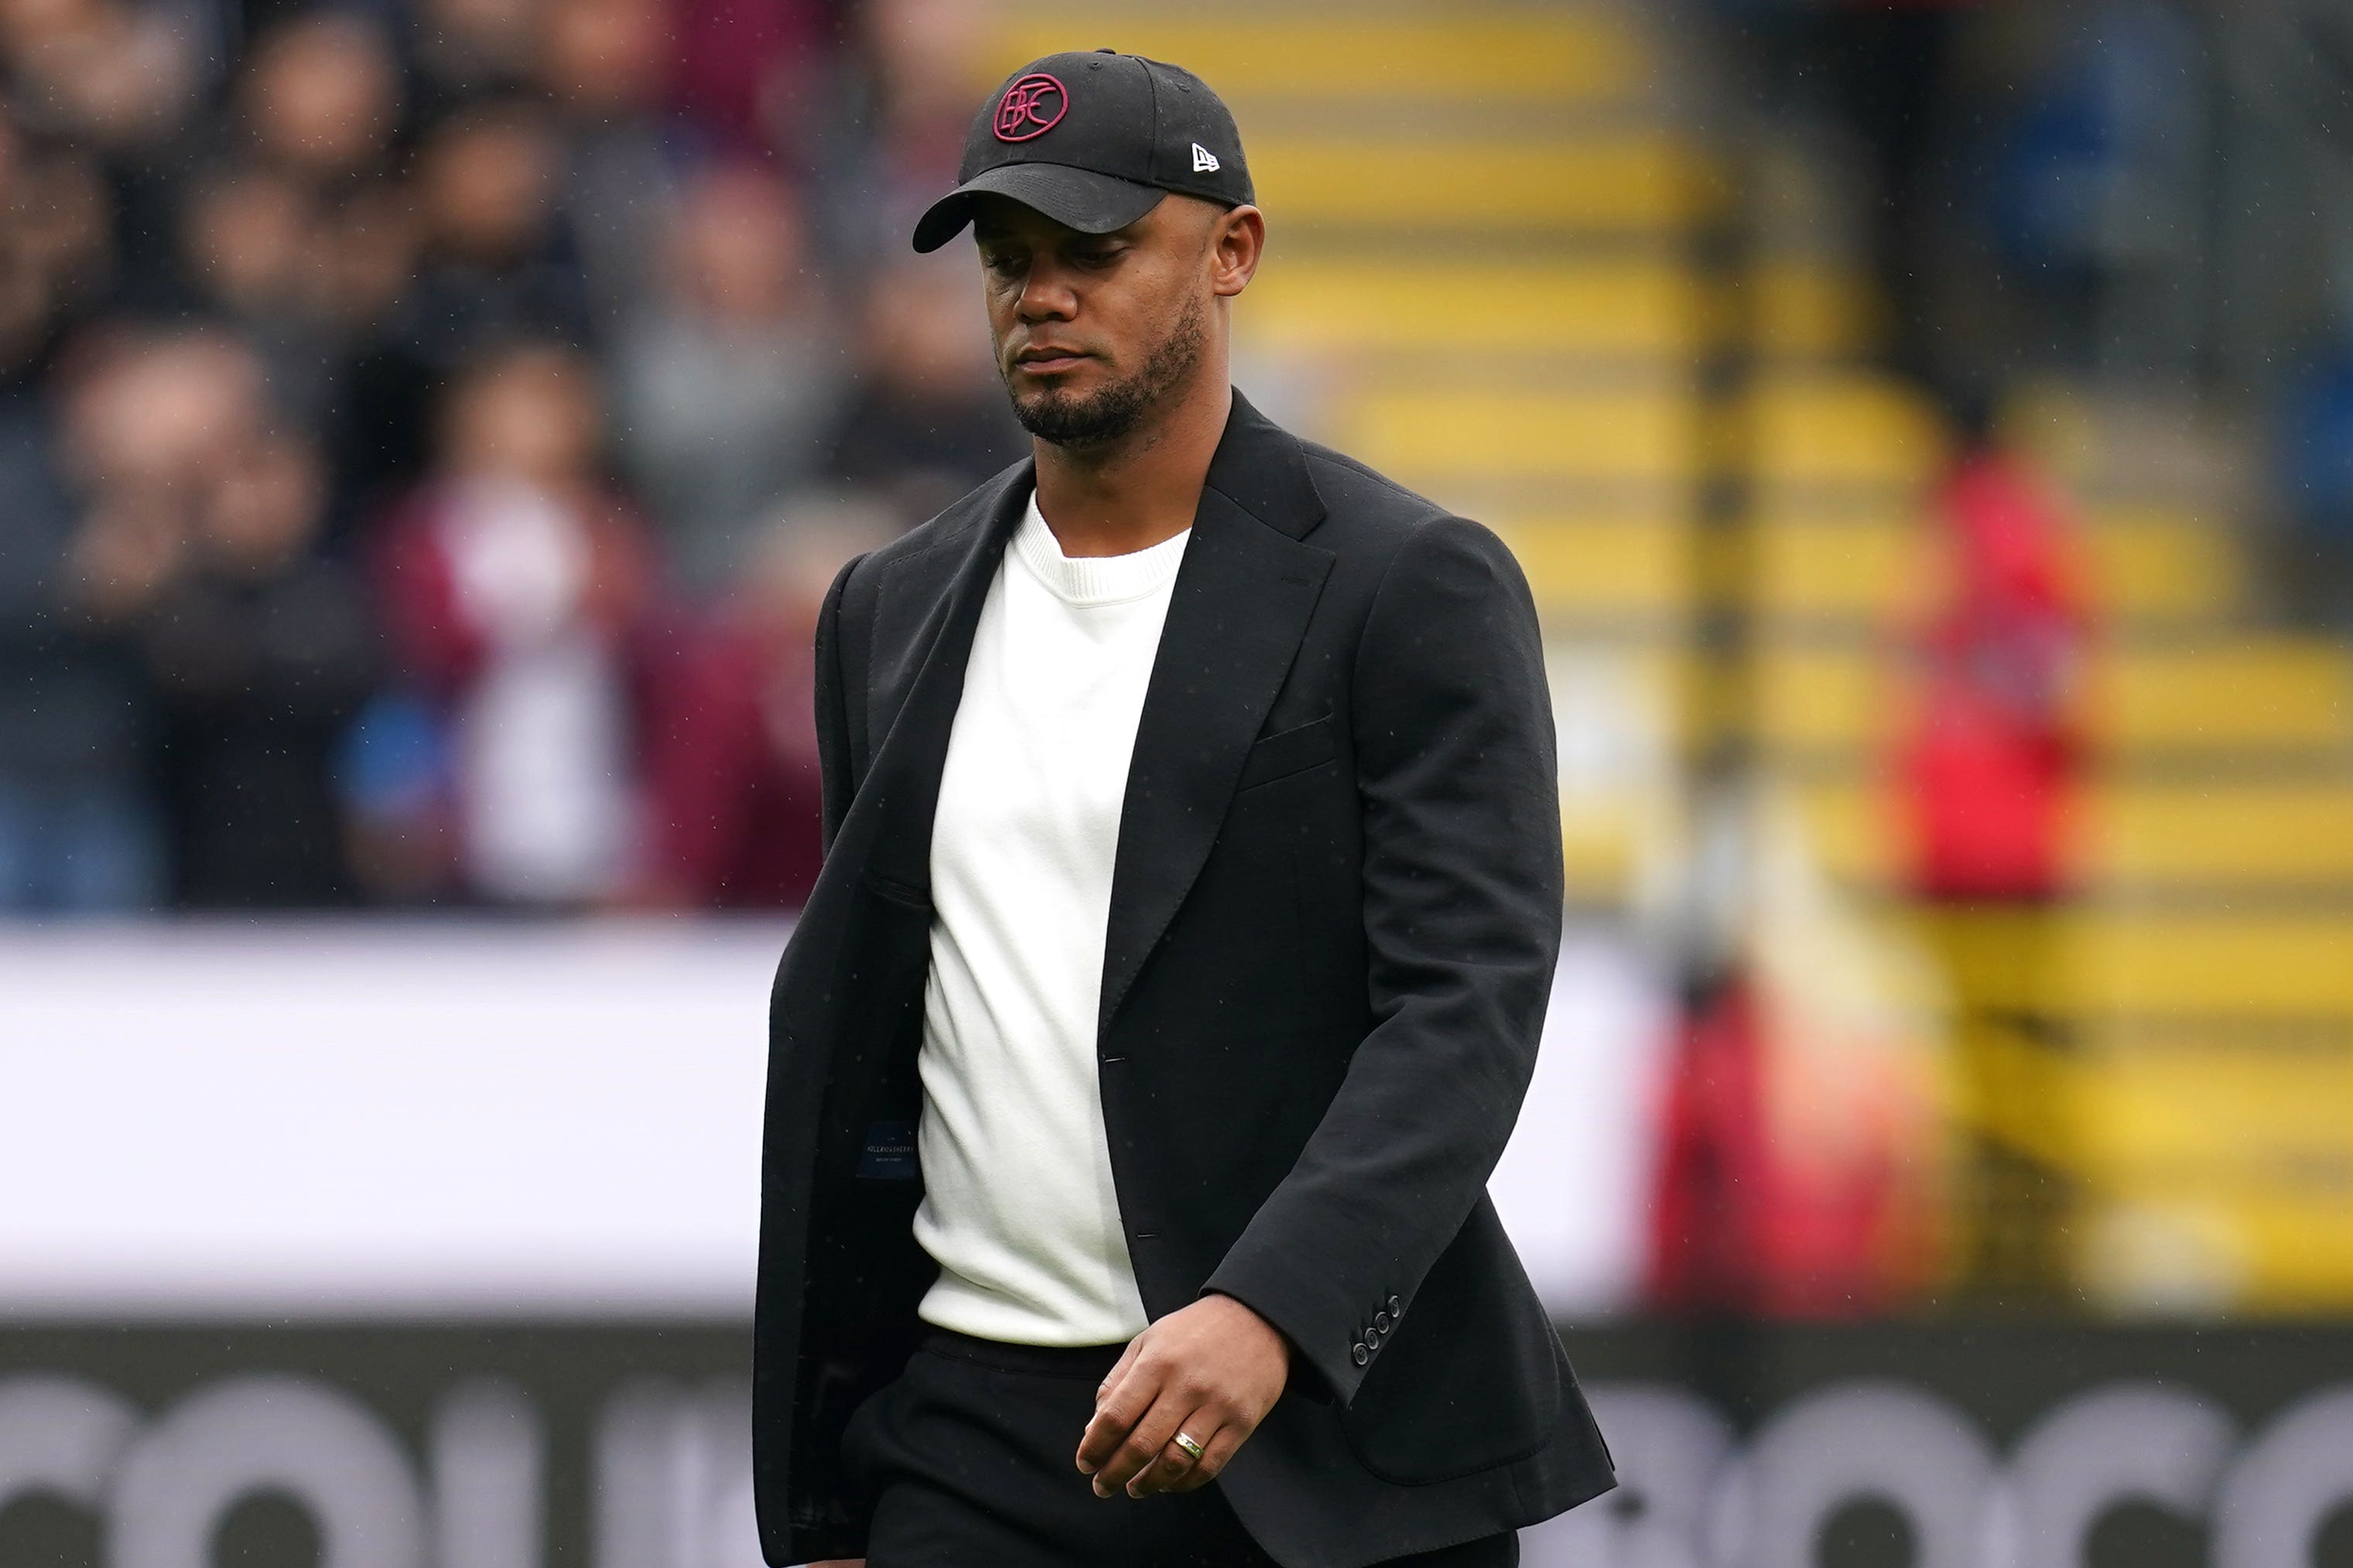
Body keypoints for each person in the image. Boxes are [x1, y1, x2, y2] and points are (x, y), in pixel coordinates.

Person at [751, 50, 1615, 1568]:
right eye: (1009, 261)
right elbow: (878, 1049)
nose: (1041, 295)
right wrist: (831, 1481)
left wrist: (1272, 1304)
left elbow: (1465, 1005)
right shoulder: (884, 613)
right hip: (973, 1443)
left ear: (1234, 254)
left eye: (1094, 251)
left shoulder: (1408, 584)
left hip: (1326, 1451)